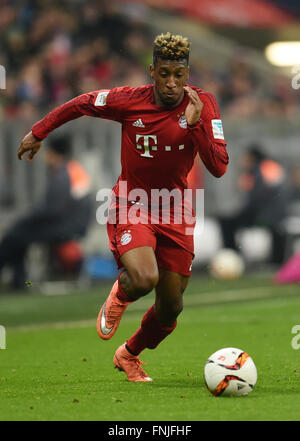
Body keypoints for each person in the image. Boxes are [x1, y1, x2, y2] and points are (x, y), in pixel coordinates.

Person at [17, 33, 229, 381]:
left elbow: (219, 166)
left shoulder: (203, 105)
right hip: (133, 203)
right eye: (164, 74)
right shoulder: (129, 100)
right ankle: (122, 292)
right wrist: (39, 131)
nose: (172, 83)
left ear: (187, 73)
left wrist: (194, 125)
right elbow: (81, 103)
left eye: (179, 74)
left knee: (171, 308)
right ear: (152, 71)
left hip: (175, 208)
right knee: (144, 278)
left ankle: (129, 354)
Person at [0, 135, 92, 290]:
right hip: (72, 224)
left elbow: (51, 209)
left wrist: (26, 217)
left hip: (64, 227)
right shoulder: (74, 169)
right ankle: (19, 280)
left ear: (52, 153)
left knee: (14, 236)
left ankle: (19, 280)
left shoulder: (63, 175)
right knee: (18, 236)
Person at [218, 144, 288, 265]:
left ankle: (233, 256)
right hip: (260, 211)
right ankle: (233, 256)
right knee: (226, 221)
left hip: (268, 213)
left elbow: (268, 193)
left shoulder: (267, 167)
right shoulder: (251, 172)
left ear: (251, 157)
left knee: (227, 222)